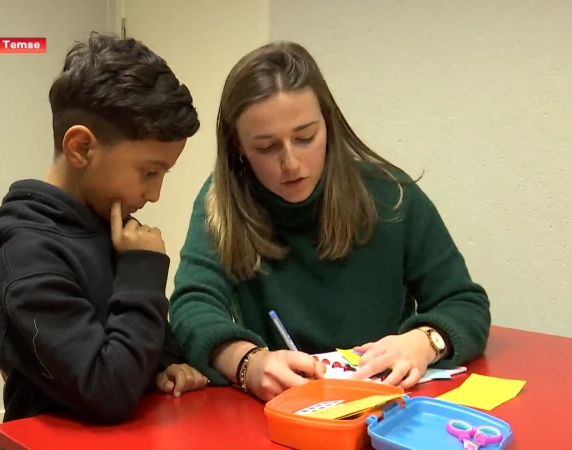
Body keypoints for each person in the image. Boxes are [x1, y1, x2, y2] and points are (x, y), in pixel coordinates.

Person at [169, 40, 492, 402]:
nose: (291, 164)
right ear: (238, 148)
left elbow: (465, 303)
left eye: (306, 137)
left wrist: (424, 342)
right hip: (279, 415)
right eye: (266, 147)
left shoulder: (391, 196)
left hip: (386, 410)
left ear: (329, 125)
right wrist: (248, 363)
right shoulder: (221, 201)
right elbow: (191, 307)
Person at [0, 32, 208, 425]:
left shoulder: (107, 226)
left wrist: (165, 367)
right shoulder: (27, 257)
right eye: (149, 172)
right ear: (81, 148)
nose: (154, 194)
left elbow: (140, 338)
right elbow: (107, 390)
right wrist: (141, 271)